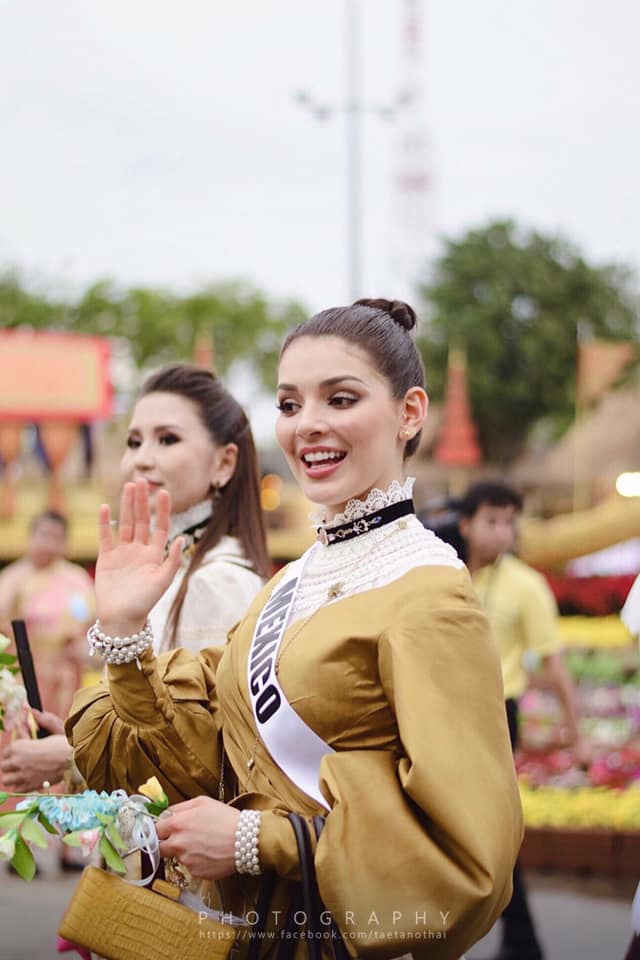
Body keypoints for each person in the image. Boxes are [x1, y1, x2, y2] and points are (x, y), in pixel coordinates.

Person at [67, 299, 522, 960]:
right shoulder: (290, 582)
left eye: (340, 399)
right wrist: (125, 630)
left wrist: (260, 841)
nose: (308, 425)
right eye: (288, 405)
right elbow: (203, 754)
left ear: (410, 413)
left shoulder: (430, 596)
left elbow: (471, 863)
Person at [1, 363, 270, 794]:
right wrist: (84, 738)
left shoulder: (217, 582)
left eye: (168, 439)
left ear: (224, 462)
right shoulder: (169, 572)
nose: (141, 458)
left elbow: (209, 760)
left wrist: (74, 759)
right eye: (133, 440)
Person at [456, 480, 590, 960]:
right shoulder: (444, 575)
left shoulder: (527, 586)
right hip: (445, 710)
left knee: (494, 831)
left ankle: (522, 941)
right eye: (492, 520)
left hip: (497, 716)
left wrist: (577, 737)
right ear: (467, 524)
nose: (502, 532)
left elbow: (554, 666)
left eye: (510, 522)